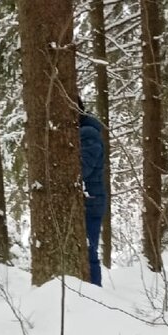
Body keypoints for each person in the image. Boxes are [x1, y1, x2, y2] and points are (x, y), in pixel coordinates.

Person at [78, 97, 107, 286]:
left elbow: (83, 168)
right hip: (89, 200)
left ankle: (95, 294)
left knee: (89, 252)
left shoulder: (88, 134)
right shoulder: (84, 132)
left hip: (91, 201)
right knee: (87, 251)